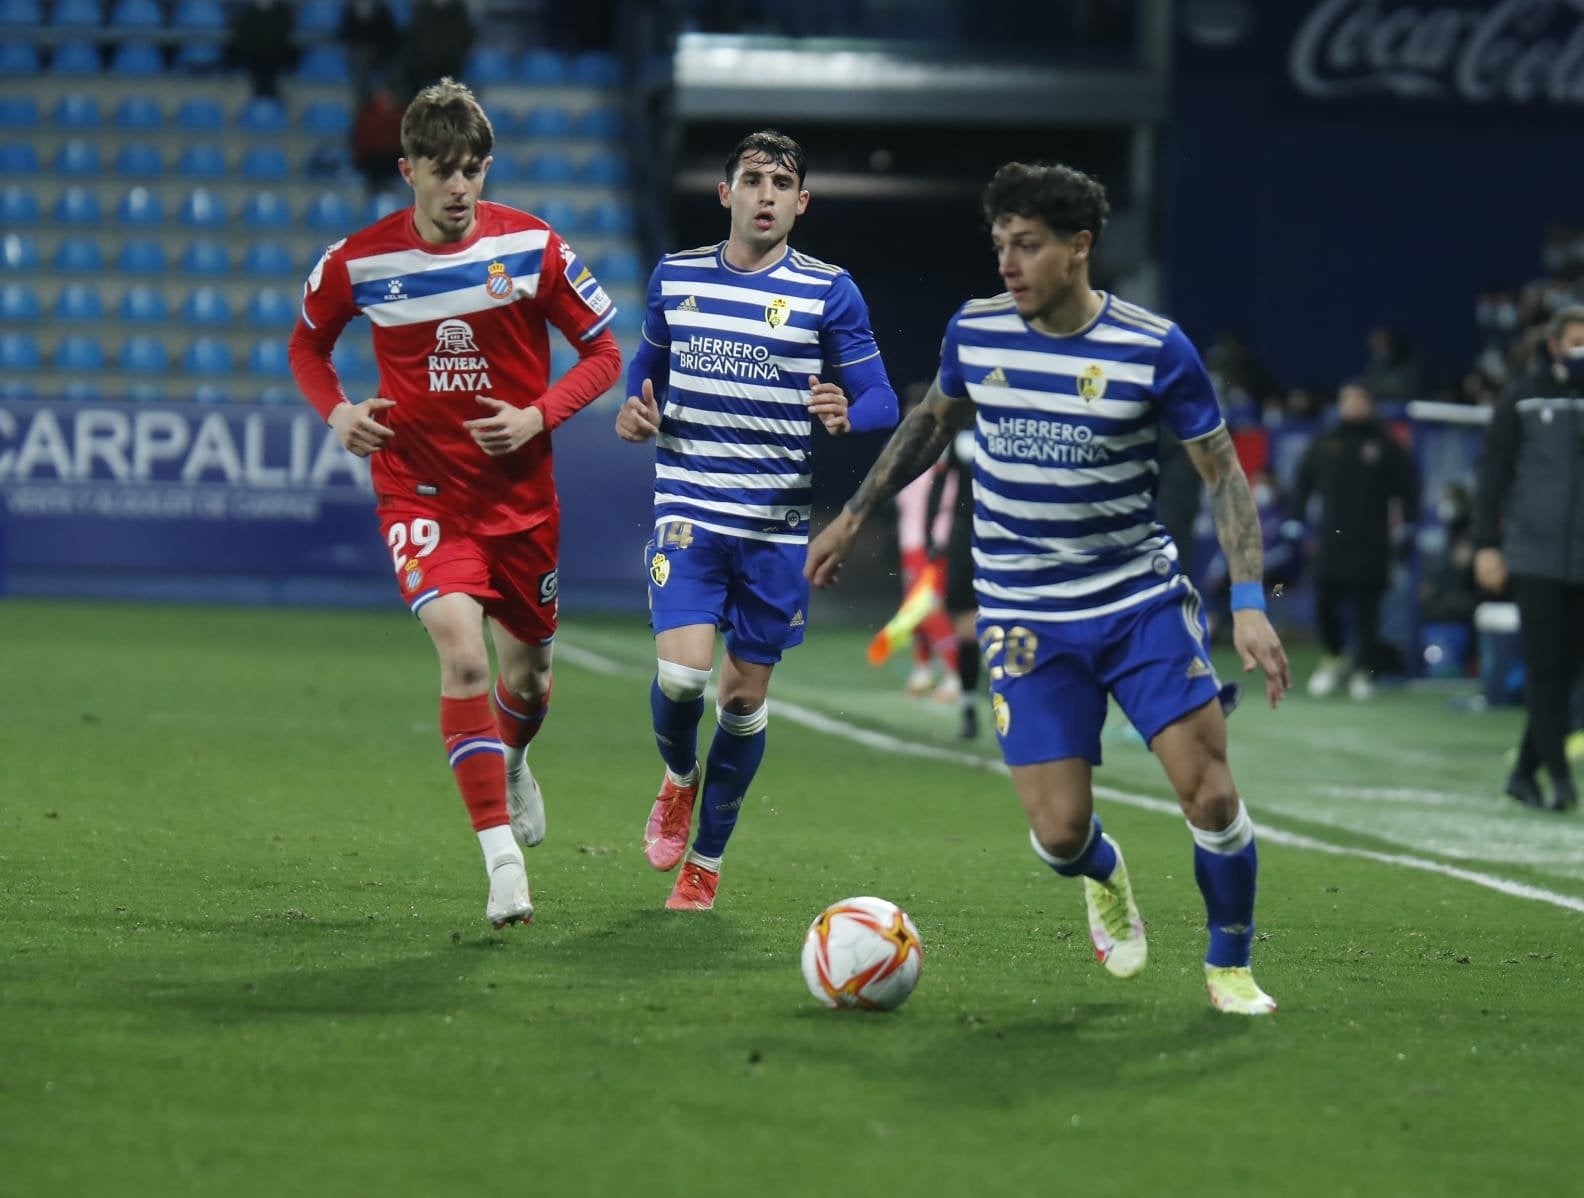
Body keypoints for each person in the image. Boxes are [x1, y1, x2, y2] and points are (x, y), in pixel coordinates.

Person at [805, 161, 1290, 1015]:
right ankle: (1104, 875)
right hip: (1026, 614)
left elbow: (1221, 476)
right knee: (1060, 832)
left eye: (1026, 246)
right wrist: (853, 513)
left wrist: (1248, 605)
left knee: (1210, 791)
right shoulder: (977, 333)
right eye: (1000, 245)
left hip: (1137, 603)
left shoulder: (1153, 348)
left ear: (1080, 248)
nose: (1008, 263)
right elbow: (929, 425)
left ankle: (1230, 965)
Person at [287, 78, 623, 926]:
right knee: (463, 658)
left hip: (521, 504)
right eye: (444, 171)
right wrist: (339, 413)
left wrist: (538, 414)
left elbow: (604, 351)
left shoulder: (534, 247)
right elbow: (307, 345)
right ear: (408, 170)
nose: (460, 187)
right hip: (421, 492)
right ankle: (500, 861)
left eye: (473, 169)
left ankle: (512, 762)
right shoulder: (359, 261)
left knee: (531, 676)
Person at [614, 129, 900, 911]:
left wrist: (850, 409)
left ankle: (705, 862)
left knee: (740, 704)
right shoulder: (676, 277)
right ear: (726, 194)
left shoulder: (828, 291)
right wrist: (634, 411)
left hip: (775, 529)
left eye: (781, 183)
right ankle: (679, 778)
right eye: (752, 179)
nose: (766, 193)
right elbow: (646, 370)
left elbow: (883, 399)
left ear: (801, 203)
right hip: (691, 510)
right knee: (681, 678)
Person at [1472, 303, 1584, 812]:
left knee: (1569, 668)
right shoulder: (1521, 395)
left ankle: (1523, 773)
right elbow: (1492, 477)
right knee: (1545, 667)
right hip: (1534, 554)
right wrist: (1486, 546)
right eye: (1577, 340)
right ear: (1555, 343)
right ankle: (1560, 777)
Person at [1293, 381, 1420, 700]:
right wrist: (1295, 520)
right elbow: (1302, 481)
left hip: (1372, 542)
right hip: (1332, 540)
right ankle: (1335, 656)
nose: (1350, 406)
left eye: (1356, 400)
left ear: (1370, 404)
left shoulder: (1387, 445)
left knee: (1368, 613)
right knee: (1325, 603)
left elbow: (1409, 487)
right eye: (1345, 399)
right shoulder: (1326, 442)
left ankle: (1364, 671)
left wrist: (1408, 525)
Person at [893, 384, 960, 703]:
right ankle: (922, 670)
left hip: (933, 541)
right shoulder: (906, 447)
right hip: (911, 540)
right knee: (913, 608)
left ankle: (954, 674)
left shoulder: (941, 447)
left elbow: (948, 493)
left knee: (929, 609)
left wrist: (937, 537)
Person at [925, 419, 981, 737]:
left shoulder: (1011, 419)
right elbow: (938, 486)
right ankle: (970, 706)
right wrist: (931, 531)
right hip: (966, 537)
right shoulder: (959, 434)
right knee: (966, 626)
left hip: (1007, 535)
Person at [224, 0, 298, 100]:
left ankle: (267, 95)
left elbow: (286, 36)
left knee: (270, 64)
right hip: (253, 58)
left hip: (276, 57)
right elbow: (241, 37)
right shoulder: (246, 12)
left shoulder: (282, 12)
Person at [402, 0, 477, 96]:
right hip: (422, 73)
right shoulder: (420, 11)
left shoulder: (460, 12)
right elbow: (413, 44)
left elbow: (466, 41)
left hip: (454, 70)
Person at [337, 0, 403, 104]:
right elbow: (345, 36)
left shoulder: (383, 10)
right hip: (360, 55)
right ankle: (364, 103)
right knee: (359, 62)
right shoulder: (349, 11)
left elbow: (391, 38)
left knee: (395, 68)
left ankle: (391, 102)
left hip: (383, 55)